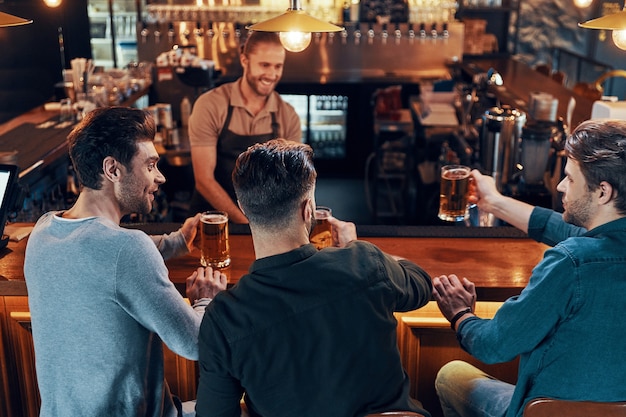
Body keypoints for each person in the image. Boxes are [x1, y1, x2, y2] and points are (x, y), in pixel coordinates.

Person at [194, 139, 432, 417]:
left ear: (243, 208)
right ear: (308, 209)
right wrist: (356, 248)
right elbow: (421, 283)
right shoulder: (365, 262)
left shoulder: (224, 318)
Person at [24, 107, 228, 417]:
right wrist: (205, 300)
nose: (160, 177)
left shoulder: (43, 231)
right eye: (150, 165)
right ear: (113, 169)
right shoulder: (127, 250)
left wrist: (177, 242)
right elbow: (196, 343)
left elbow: (102, 256)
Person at [432, 119, 626, 417]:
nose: (560, 186)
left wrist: (460, 314)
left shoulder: (570, 263)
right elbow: (562, 230)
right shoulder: (595, 248)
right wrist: (494, 202)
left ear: (603, 192)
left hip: (548, 413)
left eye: (570, 179)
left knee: (451, 375)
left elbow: (494, 345)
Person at [188, 31, 301, 224]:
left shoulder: (287, 115)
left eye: (278, 66)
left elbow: (291, 180)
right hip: (212, 220)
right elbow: (204, 181)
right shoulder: (211, 105)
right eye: (264, 65)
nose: (272, 74)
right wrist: (246, 225)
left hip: (265, 221)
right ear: (244, 60)